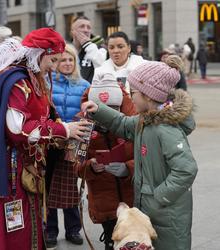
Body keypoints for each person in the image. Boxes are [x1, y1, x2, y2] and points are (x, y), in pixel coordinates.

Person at [0, 28, 90, 250]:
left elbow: (44, 116)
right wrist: (64, 130)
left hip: (28, 166)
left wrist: (72, 122)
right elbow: (17, 129)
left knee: (26, 222)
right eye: (52, 59)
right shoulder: (17, 81)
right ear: (38, 53)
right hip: (9, 170)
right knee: (15, 226)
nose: (53, 66)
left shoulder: (34, 79)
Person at [82, 55, 198, 250]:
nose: (130, 95)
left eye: (133, 91)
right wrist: (99, 110)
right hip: (152, 213)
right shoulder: (146, 120)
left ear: (149, 95)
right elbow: (123, 124)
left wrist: (157, 197)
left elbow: (186, 169)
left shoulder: (166, 129)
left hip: (168, 218)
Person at [76, 73, 136, 250]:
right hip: (104, 203)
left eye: (113, 108)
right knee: (112, 243)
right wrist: (91, 167)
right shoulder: (81, 126)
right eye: (101, 109)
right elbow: (76, 167)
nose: (106, 114)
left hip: (133, 201)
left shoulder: (132, 123)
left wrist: (127, 169)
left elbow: (147, 160)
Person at [45, 44, 90, 248]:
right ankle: (51, 230)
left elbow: (90, 116)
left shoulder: (83, 85)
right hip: (52, 142)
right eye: (63, 60)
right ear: (55, 62)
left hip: (74, 142)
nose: (67, 63)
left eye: (71, 59)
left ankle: (73, 229)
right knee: (50, 186)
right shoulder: (47, 84)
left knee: (71, 188)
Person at [71, 16, 107, 83]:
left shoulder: (99, 49)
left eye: (88, 27)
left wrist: (88, 45)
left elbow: (102, 66)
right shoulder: (66, 50)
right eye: (82, 26)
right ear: (73, 32)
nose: (86, 30)